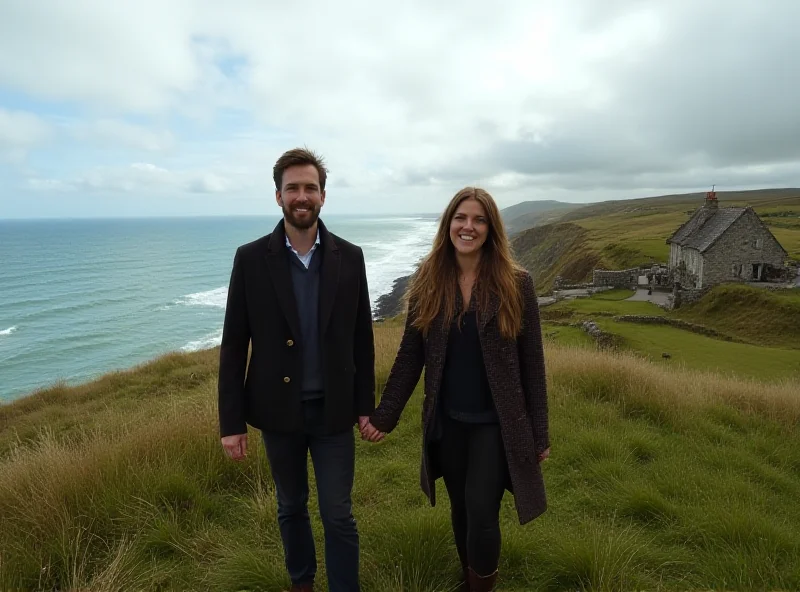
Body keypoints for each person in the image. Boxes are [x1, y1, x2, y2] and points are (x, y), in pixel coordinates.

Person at [361, 187, 550, 592]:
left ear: (491, 229)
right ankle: (470, 578)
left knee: (483, 512)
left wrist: (540, 433)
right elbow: (411, 355)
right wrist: (385, 415)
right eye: (461, 218)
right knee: (461, 509)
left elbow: (533, 363)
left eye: (479, 220)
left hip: (495, 425)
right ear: (448, 224)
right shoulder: (430, 279)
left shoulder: (517, 284)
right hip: (446, 421)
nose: (468, 227)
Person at [218, 148, 376, 592]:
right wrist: (232, 424)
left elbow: (362, 339)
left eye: (310, 188)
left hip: (334, 412)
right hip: (277, 412)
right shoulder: (250, 259)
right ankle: (301, 583)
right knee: (290, 506)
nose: (301, 196)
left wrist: (366, 406)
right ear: (278, 196)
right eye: (293, 188)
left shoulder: (351, 256)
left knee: (337, 513)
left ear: (323, 196)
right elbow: (233, 347)